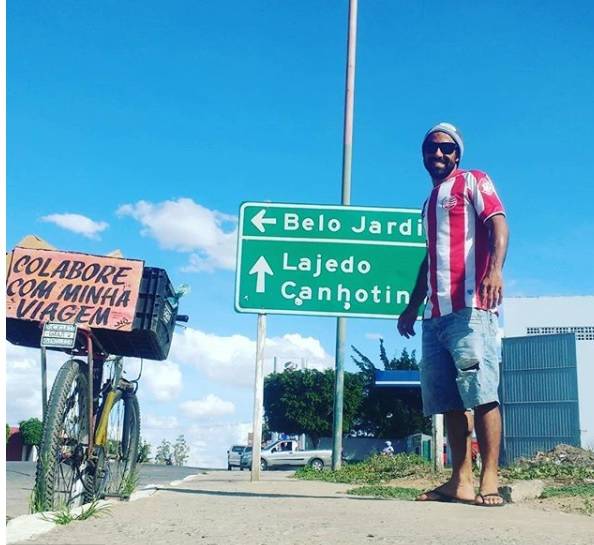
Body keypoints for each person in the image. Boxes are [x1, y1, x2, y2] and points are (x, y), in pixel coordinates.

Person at [397, 122, 509, 507]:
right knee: (447, 400)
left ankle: (489, 478)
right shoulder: (428, 203)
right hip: (436, 315)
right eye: (431, 148)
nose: (438, 154)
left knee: (481, 394)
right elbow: (430, 258)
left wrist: (495, 270)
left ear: (457, 154)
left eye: (445, 148)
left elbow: (498, 224)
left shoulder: (473, 181)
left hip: (471, 308)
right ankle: (459, 480)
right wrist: (413, 306)